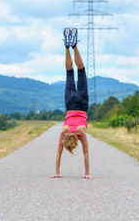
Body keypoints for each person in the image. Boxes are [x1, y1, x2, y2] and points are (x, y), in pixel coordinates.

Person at [50, 28, 93, 179]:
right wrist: (56, 171)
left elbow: (86, 154)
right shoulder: (64, 131)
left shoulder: (82, 133)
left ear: (76, 141)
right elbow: (58, 153)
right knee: (69, 72)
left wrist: (87, 174)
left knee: (81, 70)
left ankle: (74, 45)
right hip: (69, 104)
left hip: (82, 104)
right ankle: (67, 47)